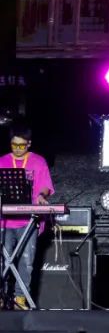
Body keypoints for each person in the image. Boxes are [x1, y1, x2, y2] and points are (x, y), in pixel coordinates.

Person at [1, 123, 55, 310]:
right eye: (14, 145)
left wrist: (41, 195)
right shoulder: (2, 161)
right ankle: (1, 296)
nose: (17, 149)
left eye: (21, 145)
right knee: (2, 260)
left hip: (28, 220)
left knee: (26, 261)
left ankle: (20, 298)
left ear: (29, 144)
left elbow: (45, 186)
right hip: (4, 221)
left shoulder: (38, 161)